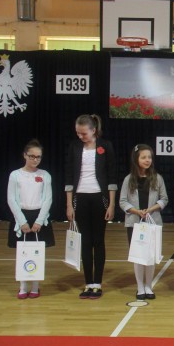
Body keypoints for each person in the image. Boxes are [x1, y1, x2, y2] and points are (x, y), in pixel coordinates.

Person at [65, 114, 117, 299]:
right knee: (85, 241)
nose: (81, 136)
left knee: (98, 240)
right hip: (80, 197)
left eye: (84, 133)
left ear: (93, 130)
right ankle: (88, 283)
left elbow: (112, 176)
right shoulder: (74, 146)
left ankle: (97, 283)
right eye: (78, 133)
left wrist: (111, 204)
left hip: (99, 197)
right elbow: (69, 175)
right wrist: (69, 204)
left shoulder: (106, 146)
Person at [7, 139, 55, 299]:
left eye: (38, 157)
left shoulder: (45, 175)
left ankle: (35, 286)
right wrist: (22, 221)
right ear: (25, 155)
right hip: (21, 217)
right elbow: (11, 199)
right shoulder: (15, 175)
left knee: (37, 253)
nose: (35, 159)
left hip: (39, 216)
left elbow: (48, 199)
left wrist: (39, 221)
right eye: (32, 156)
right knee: (22, 252)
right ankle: (22, 286)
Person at [119, 144, 168, 300]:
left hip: (153, 222)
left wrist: (151, 209)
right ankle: (140, 287)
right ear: (136, 159)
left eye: (149, 157)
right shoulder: (128, 179)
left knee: (151, 256)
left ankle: (148, 286)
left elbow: (164, 199)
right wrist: (136, 211)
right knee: (138, 256)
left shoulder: (157, 178)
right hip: (134, 223)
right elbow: (123, 201)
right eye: (144, 157)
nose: (147, 160)